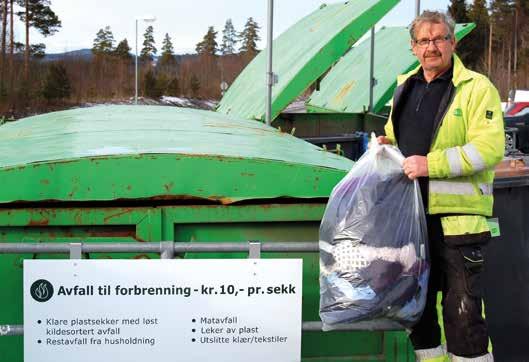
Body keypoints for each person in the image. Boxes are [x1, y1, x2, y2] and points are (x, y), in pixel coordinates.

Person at [377, 11, 505, 362]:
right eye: (423, 40)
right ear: (413, 47)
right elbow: (404, 139)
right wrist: (388, 143)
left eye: (439, 38)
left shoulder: (476, 88)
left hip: (457, 225)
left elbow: (489, 149)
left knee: (463, 319)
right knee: (419, 316)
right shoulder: (405, 86)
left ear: (453, 42)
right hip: (412, 222)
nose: (431, 46)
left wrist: (428, 164)